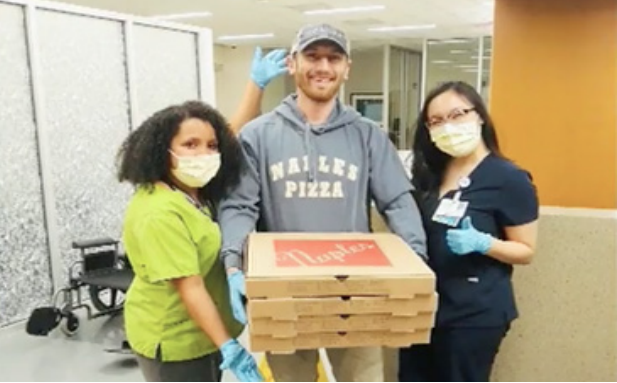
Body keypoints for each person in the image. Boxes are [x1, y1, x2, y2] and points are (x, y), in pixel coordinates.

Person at [218, 23, 427, 382]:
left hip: (355, 292)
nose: (323, 67)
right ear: (293, 64)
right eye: (312, 56)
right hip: (285, 294)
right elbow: (239, 207)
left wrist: (418, 264)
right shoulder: (258, 135)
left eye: (333, 58)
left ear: (347, 68)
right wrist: (234, 265)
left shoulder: (368, 136)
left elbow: (397, 201)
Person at [114, 47, 287, 382]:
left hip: (203, 332)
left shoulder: (190, 189)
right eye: (190, 145)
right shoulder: (159, 212)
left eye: (211, 146)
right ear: (161, 151)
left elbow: (231, 133)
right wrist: (229, 347)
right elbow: (189, 288)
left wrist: (255, 86)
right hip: (175, 339)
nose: (204, 154)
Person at [398, 81, 539, 382]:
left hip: (473, 314)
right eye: (436, 121)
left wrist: (484, 243)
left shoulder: (508, 178)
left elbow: (526, 250)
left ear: (479, 116)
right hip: (424, 309)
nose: (447, 126)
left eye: (457, 114)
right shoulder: (430, 175)